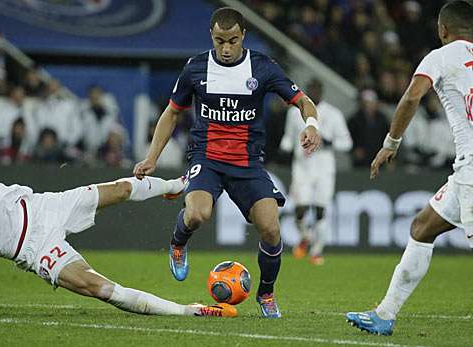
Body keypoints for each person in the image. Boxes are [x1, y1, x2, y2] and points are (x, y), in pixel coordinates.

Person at [0, 139, 235, 318]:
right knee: (99, 288)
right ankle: (187, 311)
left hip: (42, 206)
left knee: (120, 189)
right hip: (32, 250)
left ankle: (174, 185)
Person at [133, 7, 321, 318]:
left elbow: (302, 100)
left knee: (272, 230)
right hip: (206, 157)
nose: (227, 48)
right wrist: (151, 157)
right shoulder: (195, 68)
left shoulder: (262, 68)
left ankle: (266, 293)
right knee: (196, 214)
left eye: (233, 40)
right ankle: (178, 244)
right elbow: (172, 112)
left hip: (248, 162)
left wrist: (311, 124)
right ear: (211, 36)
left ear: (243, 36)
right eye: (220, 40)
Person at [346, 1, 473, 335]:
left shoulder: (441, 56)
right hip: (465, 173)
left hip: (472, 171)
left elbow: (411, 97)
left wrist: (391, 143)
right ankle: (384, 314)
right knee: (422, 228)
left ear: (443, 29)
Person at [280, 79, 352, 266]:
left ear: (322, 91)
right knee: (300, 208)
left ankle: (316, 251)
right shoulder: (294, 113)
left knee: (320, 210)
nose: (314, 93)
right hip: (302, 167)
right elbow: (288, 138)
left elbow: (347, 143)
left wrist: (330, 143)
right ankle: (306, 237)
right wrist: (284, 148)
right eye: (311, 90)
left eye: (316, 89)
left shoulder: (333, 114)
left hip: (324, 168)